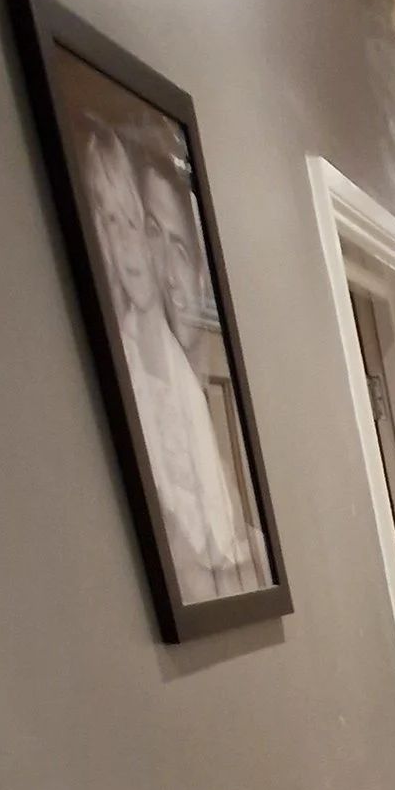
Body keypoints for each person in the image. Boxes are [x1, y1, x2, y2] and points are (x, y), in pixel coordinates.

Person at [77, 123, 249, 601]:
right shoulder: (128, 373)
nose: (134, 247)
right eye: (112, 224)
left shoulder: (186, 381)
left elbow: (223, 536)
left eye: (134, 223)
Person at [141, 155, 268, 593]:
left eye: (178, 248)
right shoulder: (152, 407)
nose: (165, 273)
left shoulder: (205, 410)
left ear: (200, 275)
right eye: (151, 236)